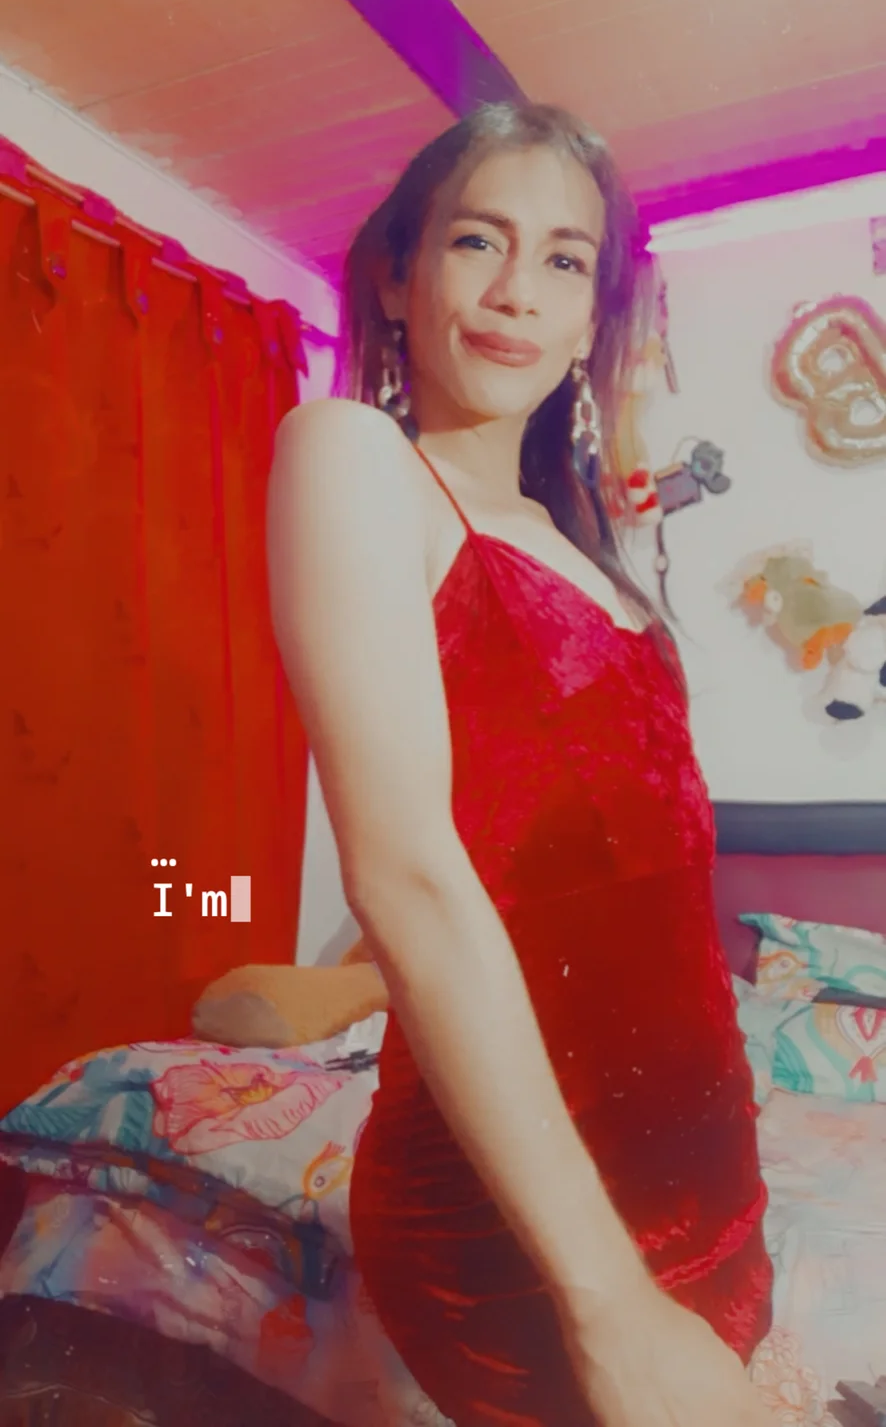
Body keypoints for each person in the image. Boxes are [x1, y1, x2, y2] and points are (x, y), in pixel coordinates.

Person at [267, 102, 774, 1427]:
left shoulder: (580, 534)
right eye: (476, 241)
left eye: (563, 260)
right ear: (398, 274)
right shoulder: (356, 457)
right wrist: (608, 1305)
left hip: (707, 1181)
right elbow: (408, 880)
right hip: (535, 1238)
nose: (515, 293)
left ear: (593, 312)